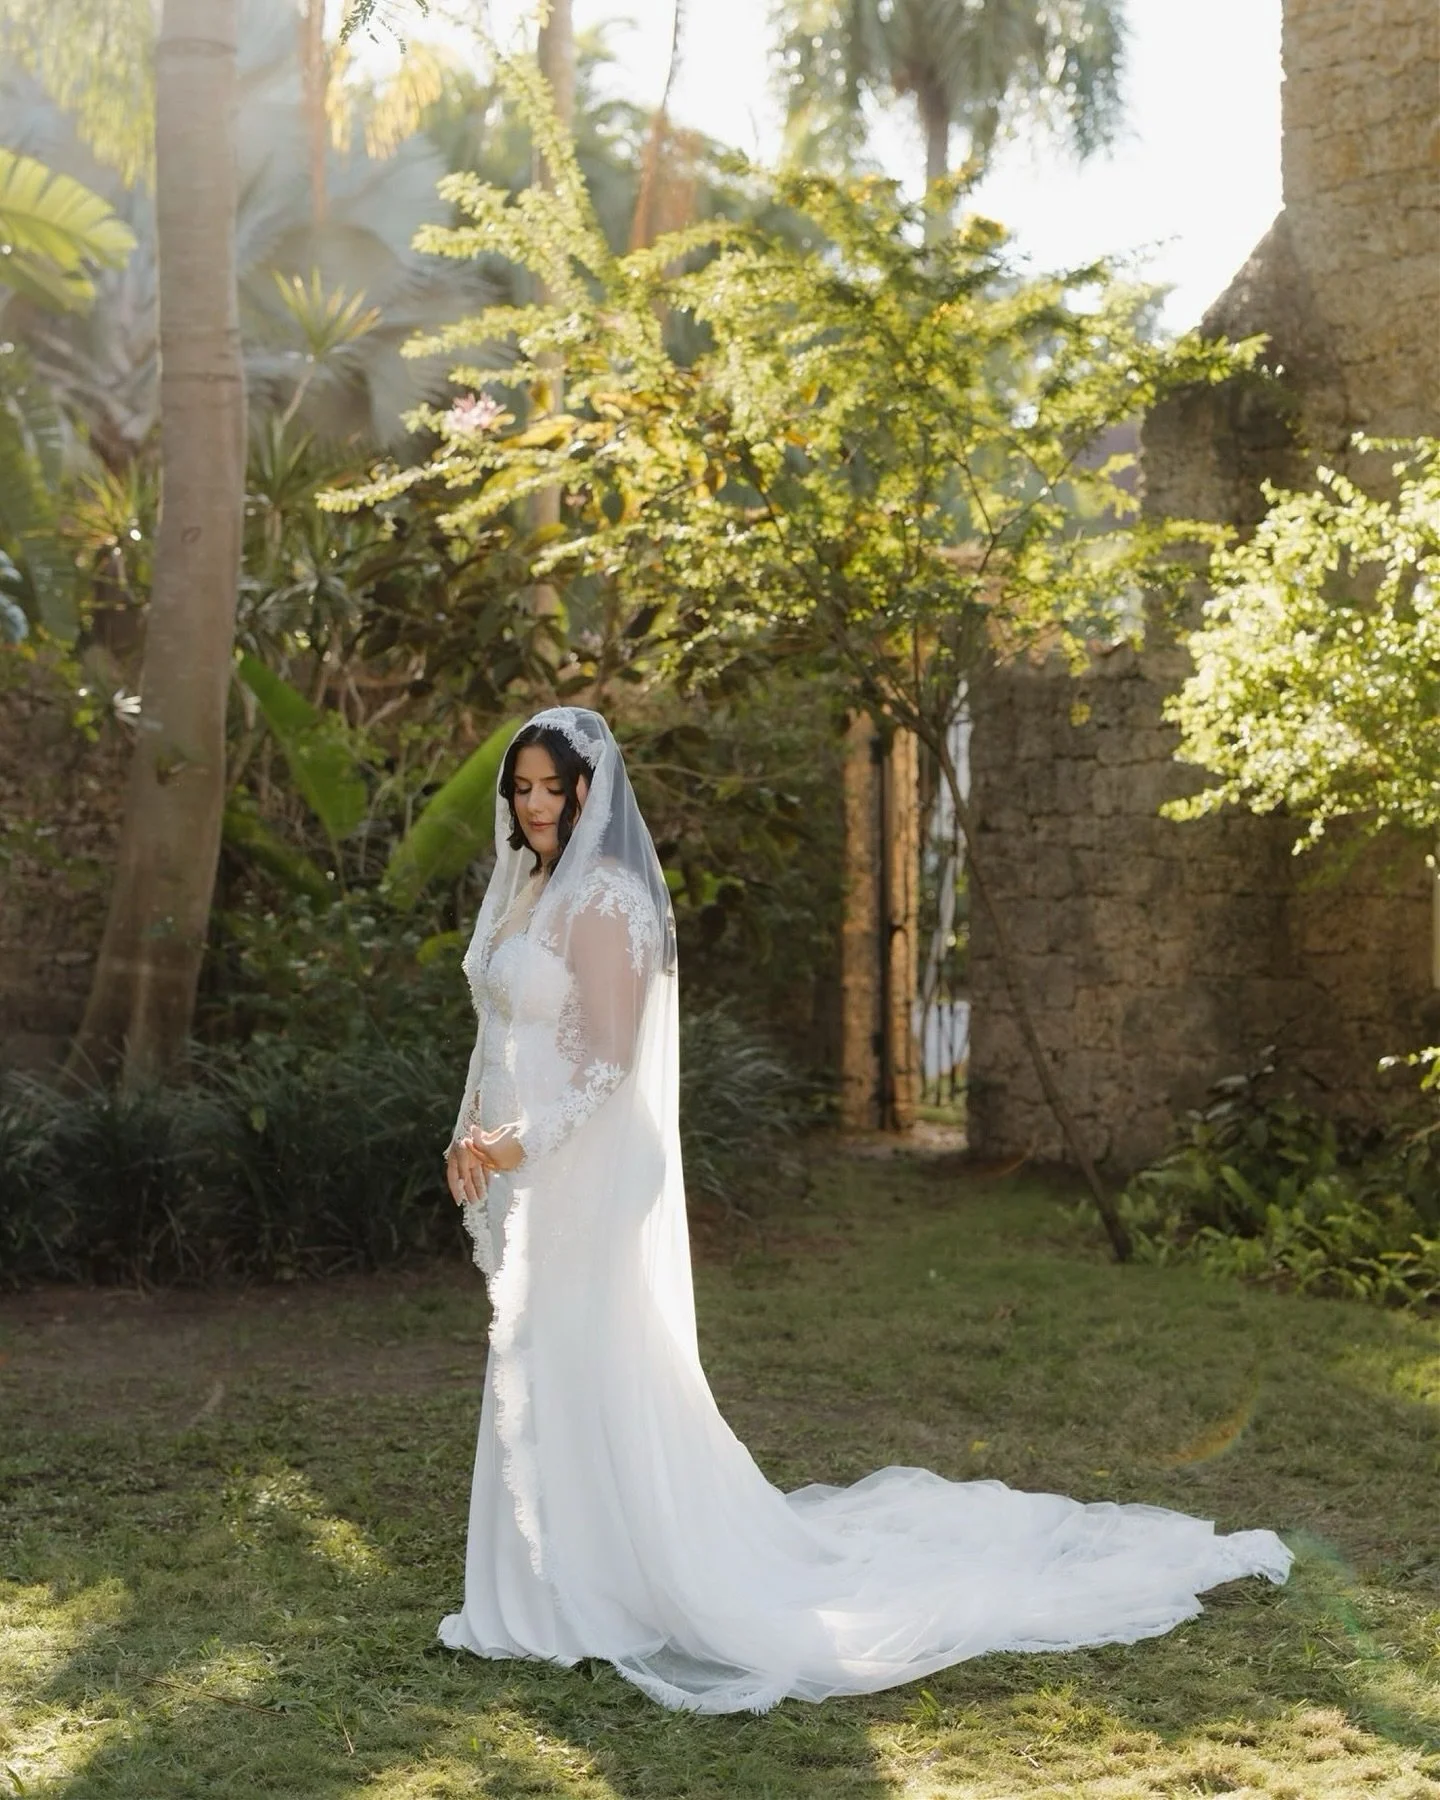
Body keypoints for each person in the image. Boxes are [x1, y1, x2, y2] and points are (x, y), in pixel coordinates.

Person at [439, 704, 1292, 1715]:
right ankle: (539, 1583)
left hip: (582, 1165)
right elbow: (504, 1031)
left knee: (585, 1359)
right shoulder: (530, 885)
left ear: (589, 790)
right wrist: (476, 1137)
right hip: (529, 1159)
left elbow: (609, 1061)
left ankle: (602, 1588)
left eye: (552, 786)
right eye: (522, 788)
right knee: (537, 1358)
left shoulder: (608, 900)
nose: (536, 805)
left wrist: (519, 1141)